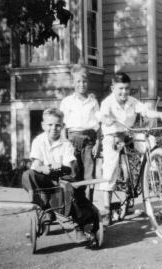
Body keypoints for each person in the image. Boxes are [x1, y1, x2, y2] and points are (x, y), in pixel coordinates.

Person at [99, 72, 162, 225]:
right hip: (113, 137)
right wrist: (108, 120)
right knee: (110, 169)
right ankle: (106, 209)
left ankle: (151, 170)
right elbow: (103, 116)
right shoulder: (107, 102)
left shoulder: (132, 101)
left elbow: (145, 110)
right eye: (120, 89)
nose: (124, 92)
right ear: (113, 88)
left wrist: (160, 114)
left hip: (128, 134)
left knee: (149, 139)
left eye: (127, 89)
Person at [21, 108, 99, 243]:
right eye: (50, 125)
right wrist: (43, 168)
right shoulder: (38, 141)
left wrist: (61, 167)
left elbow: (70, 167)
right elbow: (36, 163)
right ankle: (42, 205)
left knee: (70, 187)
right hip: (44, 178)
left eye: (57, 125)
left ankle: (77, 225)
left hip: (61, 178)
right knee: (28, 174)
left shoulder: (66, 144)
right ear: (43, 125)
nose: (54, 128)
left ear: (62, 126)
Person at [60, 64, 101, 201]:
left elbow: (98, 125)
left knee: (89, 176)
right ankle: (75, 207)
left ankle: (88, 206)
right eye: (78, 81)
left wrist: (98, 143)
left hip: (89, 141)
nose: (82, 84)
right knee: (74, 174)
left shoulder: (93, 102)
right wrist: (65, 143)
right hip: (72, 140)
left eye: (84, 81)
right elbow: (62, 126)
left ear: (88, 82)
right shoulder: (67, 102)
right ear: (73, 82)